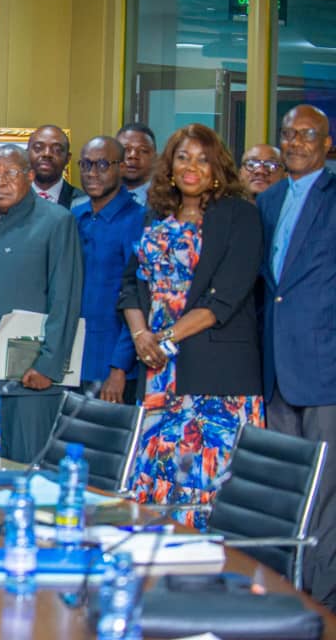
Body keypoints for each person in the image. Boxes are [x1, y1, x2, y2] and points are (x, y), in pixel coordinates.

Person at [118, 122, 264, 530]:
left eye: (202, 159)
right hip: (159, 372)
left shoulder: (240, 215)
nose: (191, 167)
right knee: (154, 483)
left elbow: (226, 298)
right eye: (183, 157)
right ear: (170, 166)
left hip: (217, 377)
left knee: (205, 488)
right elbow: (131, 285)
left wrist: (163, 339)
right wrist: (141, 336)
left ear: (217, 168)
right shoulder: (155, 215)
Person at [0, 145, 82, 461]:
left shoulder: (56, 221)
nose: (0, 182)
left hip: (28, 378)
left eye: (10, 174)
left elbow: (65, 299)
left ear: (29, 176)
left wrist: (48, 365)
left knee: (24, 473)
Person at [258, 104, 336, 609]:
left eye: (307, 134)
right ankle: (288, 594)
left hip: (325, 368)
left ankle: (324, 605)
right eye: (288, 134)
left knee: (325, 497)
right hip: (275, 369)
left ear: (327, 144)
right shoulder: (267, 199)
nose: (295, 143)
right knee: (284, 488)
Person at [71, 137, 146, 402]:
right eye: (86, 164)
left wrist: (119, 367)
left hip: (113, 364)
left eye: (102, 164)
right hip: (72, 359)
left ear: (121, 167)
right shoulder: (75, 217)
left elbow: (138, 296)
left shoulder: (138, 219)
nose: (92, 173)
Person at [28, 124, 80, 208]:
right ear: (26, 154)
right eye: (38, 148)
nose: (47, 154)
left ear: (67, 159)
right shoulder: (11, 198)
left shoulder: (83, 201)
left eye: (57, 150)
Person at [116, 122, 158, 206]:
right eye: (125, 149)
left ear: (155, 158)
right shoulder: (96, 197)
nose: (133, 155)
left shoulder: (167, 200)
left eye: (143, 151)